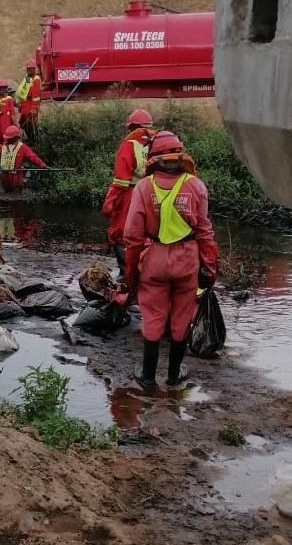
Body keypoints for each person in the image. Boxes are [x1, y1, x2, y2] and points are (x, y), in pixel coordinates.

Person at [124, 131, 218, 389]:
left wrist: (131, 273)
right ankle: (175, 376)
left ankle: (147, 377)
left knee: (153, 316)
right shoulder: (196, 186)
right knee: (181, 317)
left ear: (153, 157)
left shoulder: (144, 187)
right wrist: (209, 270)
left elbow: (132, 236)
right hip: (187, 260)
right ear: (180, 154)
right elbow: (205, 233)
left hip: (155, 259)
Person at [101, 109, 156, 275]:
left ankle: (126, 273)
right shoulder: (157, 143)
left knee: (120, 232)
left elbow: (120, 180)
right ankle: (146, 271)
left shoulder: (128, 145)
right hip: (153, 194)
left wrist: (109, 203)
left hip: (129, 194)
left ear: (131, 127)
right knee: (148, 233)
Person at [0, 125, 47, 193]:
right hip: (5, 176)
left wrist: (42, 165)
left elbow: (33, 157)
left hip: (16, 177)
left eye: (9, 138)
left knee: (17, 198)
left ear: (15, 138)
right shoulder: (2, 146)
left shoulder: (22, 147)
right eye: (7, 138)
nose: (7, 139)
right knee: (6, 194)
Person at [16, 58, 42, 139]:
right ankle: (30, 138)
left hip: (31, 105)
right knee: (23, 122)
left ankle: (34, 140)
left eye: (31, 69)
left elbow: (36, 97)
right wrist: (20, 104)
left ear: (34, 69)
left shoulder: (36, 80)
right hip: (25, 105)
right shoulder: (27, 78)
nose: (30, 70)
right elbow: (23, 92)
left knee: (31, 124)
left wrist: (34, 108)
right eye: (28, 69)